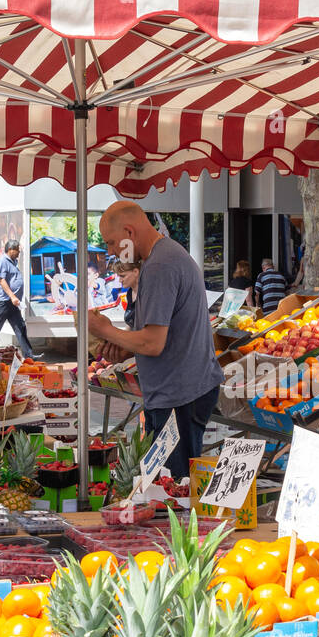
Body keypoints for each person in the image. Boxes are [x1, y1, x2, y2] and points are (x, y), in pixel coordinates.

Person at [87, 201, 224, 479]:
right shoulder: (159, 258)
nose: (111, 251)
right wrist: (123, 348)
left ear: (129, 231)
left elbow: (153, 343)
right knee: (162, 482)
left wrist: (104, 329)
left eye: (112, 242)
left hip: (180, 395)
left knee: (173, 489)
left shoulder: (161, 265)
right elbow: (158, 334)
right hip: (175, 393)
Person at [0, 239, 34, 356]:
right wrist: (13, 296)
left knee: (20, 327)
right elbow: (2, 280)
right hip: (3, 302)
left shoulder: (12, 262)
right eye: (17, 250)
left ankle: (29, 355)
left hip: (11, 303)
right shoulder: (3, 261)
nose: (19, 252)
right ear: (10, 250)